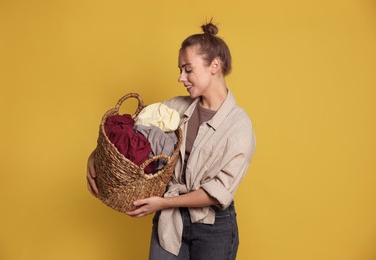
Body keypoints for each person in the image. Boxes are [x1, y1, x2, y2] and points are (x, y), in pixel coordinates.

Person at [87, 21, 256, 260]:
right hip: (170, 223)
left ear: (214, 66)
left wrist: (163, 203)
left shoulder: (240, 127)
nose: (180, 78)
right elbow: (130, 137)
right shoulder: (175, 107)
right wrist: (95, 157)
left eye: (188, 69)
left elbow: (217, 192)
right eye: (180, 70)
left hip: (214, 228)